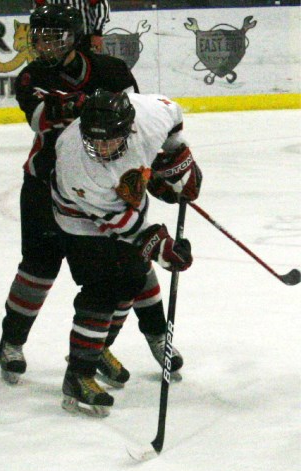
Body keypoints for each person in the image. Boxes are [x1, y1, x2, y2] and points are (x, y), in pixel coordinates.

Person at [0, 3, 139, 385]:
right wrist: (89, 104)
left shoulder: (112, 70)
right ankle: (11, 340)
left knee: (109, 275)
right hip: (45, 185)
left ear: (74, 36)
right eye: (38, 36)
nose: (43, 44)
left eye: (52, 36)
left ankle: (96, 348)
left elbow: (136, 119)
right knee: (39, 268)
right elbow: (41, 118)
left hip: (99, 189)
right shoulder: (29, 78)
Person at [51, 89, 202, 417]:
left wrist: (175, 161)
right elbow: (117, 220)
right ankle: (78, 374)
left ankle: (101, 347)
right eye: (95, 140)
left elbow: (173, 116)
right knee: (104, 288)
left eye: (110, 141)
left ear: (130, 129)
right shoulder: (77, 162)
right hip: (80, 219)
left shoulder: (150, 116)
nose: (101, 148)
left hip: (123, 201)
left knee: (134, 275)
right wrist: (159, 246)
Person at [34, 0, 110, 53]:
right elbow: (39, 6)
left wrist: (97, 33)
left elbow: (101, 4)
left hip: (84, 37)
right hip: (55, 36)